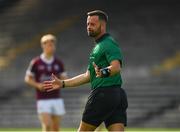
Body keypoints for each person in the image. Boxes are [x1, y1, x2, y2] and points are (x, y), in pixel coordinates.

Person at [43, 10, 128, 131]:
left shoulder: (107, 44)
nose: (89, 27)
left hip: (103, 94)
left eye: (92, 24)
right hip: (117, 95)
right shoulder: (99, 46)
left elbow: (116, 67)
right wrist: (62, 83)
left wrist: (104, 72)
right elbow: (88, 76)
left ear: (102, 25)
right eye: (88, 24)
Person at [25, 34, 67, 132]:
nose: (50, 47)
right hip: (42, 99)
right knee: (47, 125)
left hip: (56, 98)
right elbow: (27, 78)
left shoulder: (58, 63)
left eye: (52, 44)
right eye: (48, 44)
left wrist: (60, 83)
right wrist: (38, 85)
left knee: (55, 128)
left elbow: (64, 78)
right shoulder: (36, 62)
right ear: (43, 45)